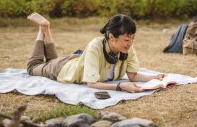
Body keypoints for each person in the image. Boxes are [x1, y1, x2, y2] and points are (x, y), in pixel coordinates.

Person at [26, 12, 164, 93]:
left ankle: (45, 29)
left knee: (52, 60)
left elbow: (133, 76)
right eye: (127, 39)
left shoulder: (127, 47)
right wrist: (120, 86)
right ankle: (42, 28)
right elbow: (92, 84)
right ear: (111, 37)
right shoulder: (95, 46)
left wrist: (155, 77)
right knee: (34, 66)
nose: (131, 43)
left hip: (75, 60)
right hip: (62, 69)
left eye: (133, 38)